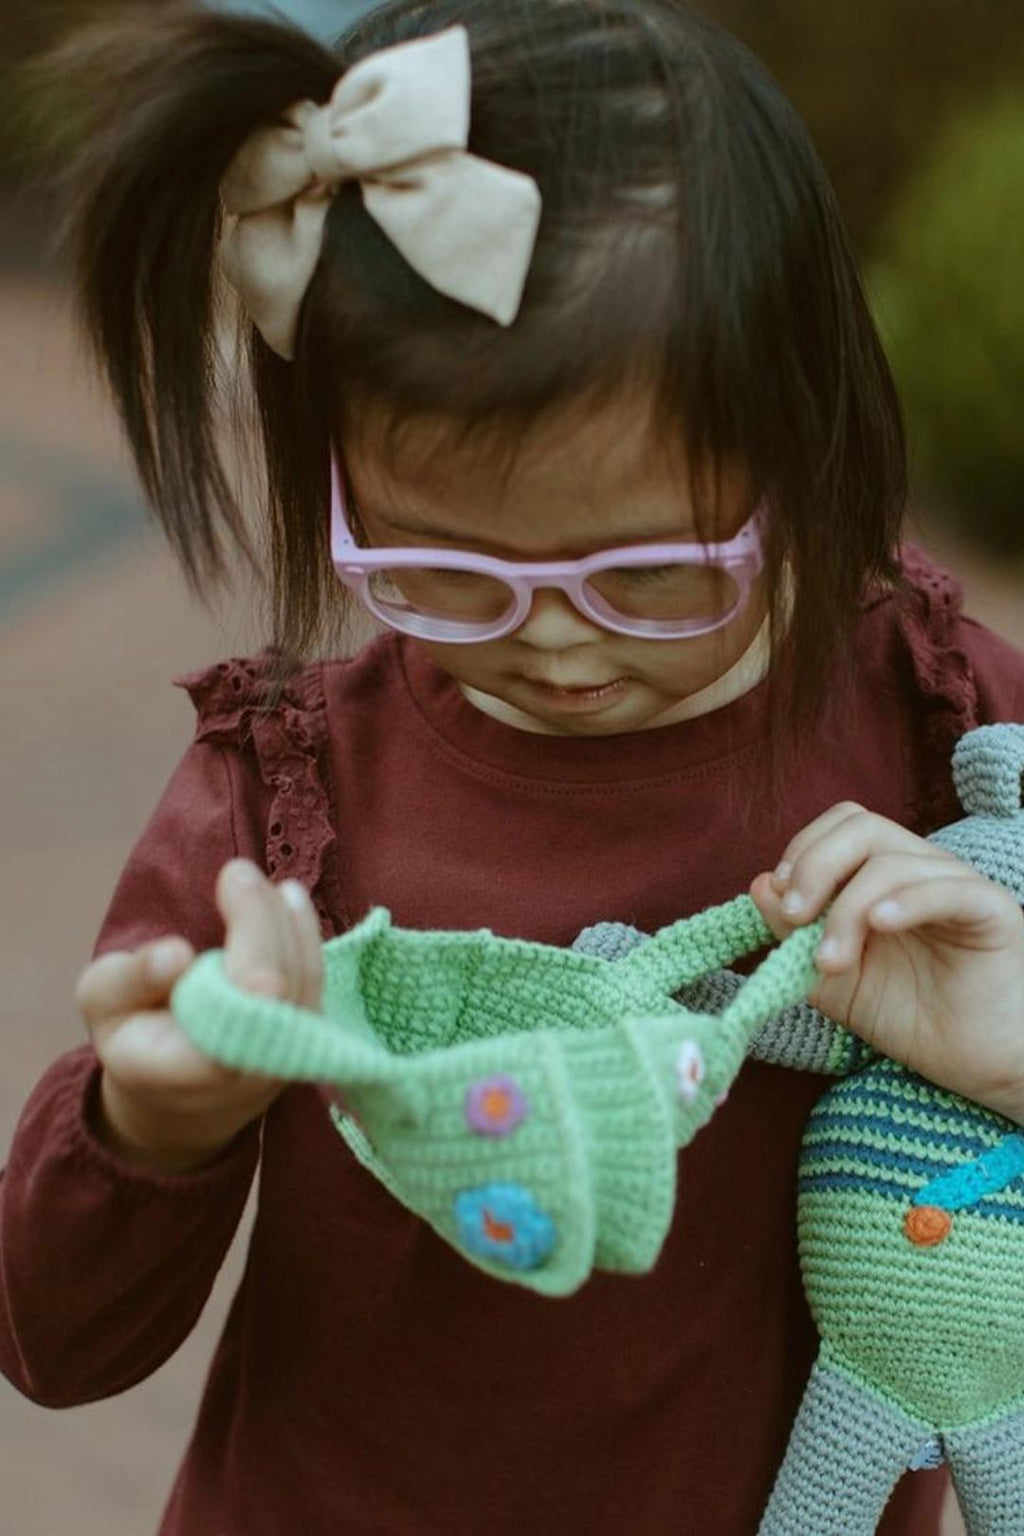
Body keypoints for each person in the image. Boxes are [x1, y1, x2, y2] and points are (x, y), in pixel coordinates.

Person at [3, 2, 1023, 1533]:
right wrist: (158, 1125)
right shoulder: (291, 792)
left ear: (812, 441)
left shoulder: (947, 721)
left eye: (657, 572)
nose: (554, 643)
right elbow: (53, 1338)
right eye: (441, 572)